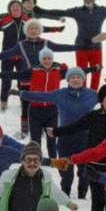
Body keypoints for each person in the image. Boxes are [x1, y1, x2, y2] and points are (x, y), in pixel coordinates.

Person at [49, 82, 106, 211]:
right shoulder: (94, 116)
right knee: (98, 199)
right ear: (102, 101)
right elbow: (75, 126)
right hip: (94, 166)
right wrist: (56, 132)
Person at [0, 0, 64, 112]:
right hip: (8, 56)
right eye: (13, 6)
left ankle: (24, 103)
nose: (15, 8)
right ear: (10, 9)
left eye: (17, 6)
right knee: (6, 80)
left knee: (23, 81)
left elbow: (40, 28)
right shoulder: (5, 21)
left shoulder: (27, 20)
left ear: (21, 8)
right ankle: (3, 104)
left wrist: (55, 29)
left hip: (22, 57)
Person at [18, 66, 98, 196]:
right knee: (65, 166)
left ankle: (82, 192)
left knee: (85, 167)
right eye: (72, 77)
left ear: (83, 79)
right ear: (67, 80)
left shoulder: (92, 94)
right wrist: (23, 93)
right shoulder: (61, 93)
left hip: (85, 137)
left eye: (78, 77)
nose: (76, 80)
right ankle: (65, 191)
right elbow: (42, 96)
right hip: (65, 137)